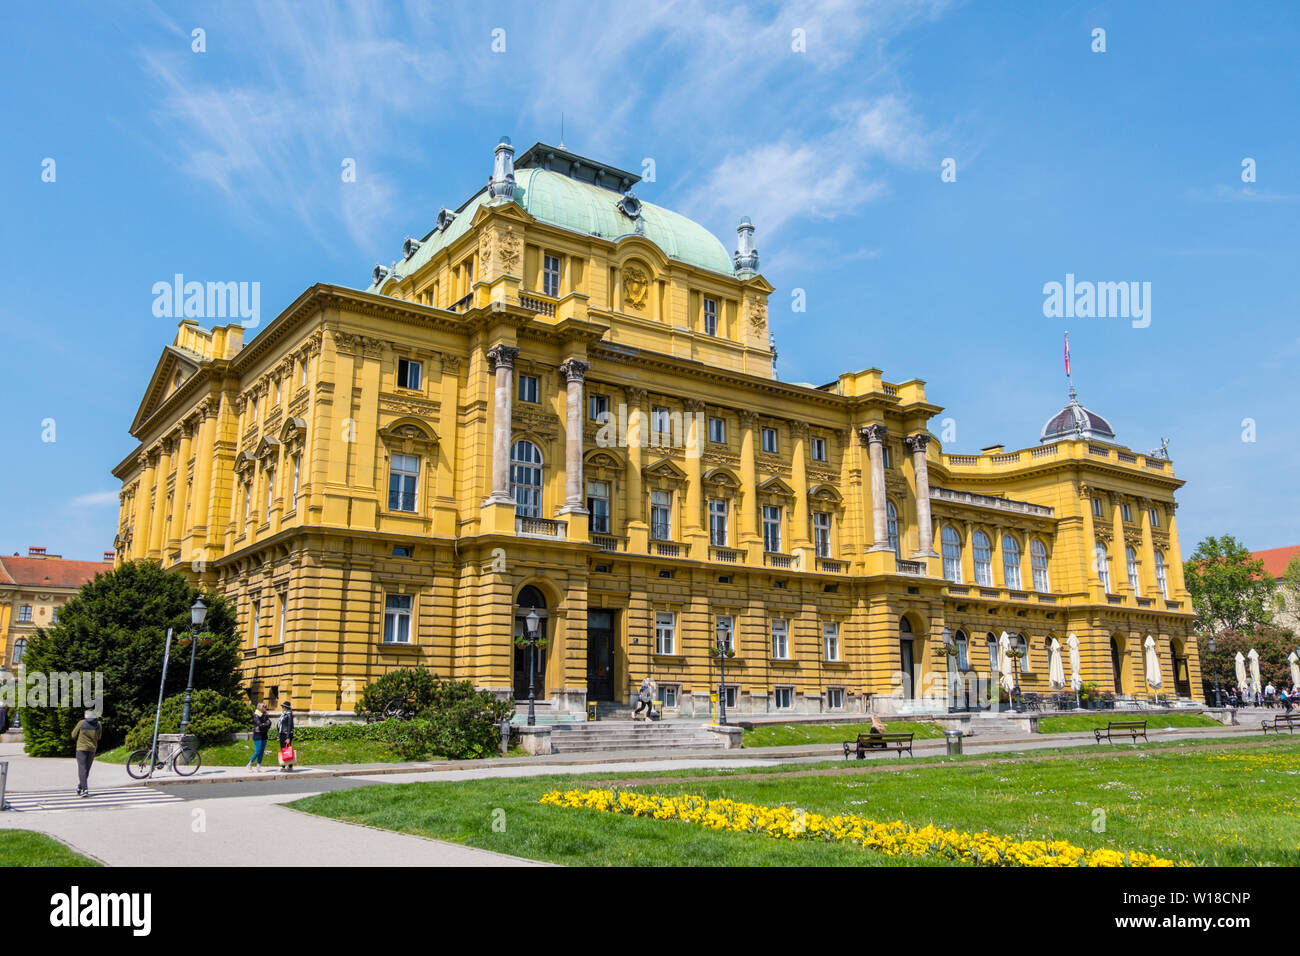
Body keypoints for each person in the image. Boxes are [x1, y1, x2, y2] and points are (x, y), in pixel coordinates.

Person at [71, 709, 102, 798]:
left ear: (86, 716)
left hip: (81, 748)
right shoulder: (98, 724)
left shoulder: (81, 723)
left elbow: (73, 734)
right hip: (92, 749)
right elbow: (99, 737)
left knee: (82, 769)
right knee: (86, 770)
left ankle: (85, 790)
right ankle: (80, 787)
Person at [247, 703, 272, 772]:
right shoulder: (256, 715)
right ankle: (249, 764)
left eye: (266, 707)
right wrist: (265, 724)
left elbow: (269, 723)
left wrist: (265, 724)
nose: (266, 708)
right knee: (258, 751)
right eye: (264, 707)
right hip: (258, 734)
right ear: (260, 707)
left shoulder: (265, 714)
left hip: (264, 734)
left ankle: (258, 766)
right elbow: (259, 724)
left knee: (262, 751)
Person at [277, 701, 295, 772]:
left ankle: (287, 766)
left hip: (286, 734)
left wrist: (288, 737)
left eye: (283, 707)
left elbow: (290, 726)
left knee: (287, 750)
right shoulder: (284, 714)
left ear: (286, 708)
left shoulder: (289, 714)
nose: (282, 708)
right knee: (283, 749)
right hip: (282, 733)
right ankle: (285, 765)